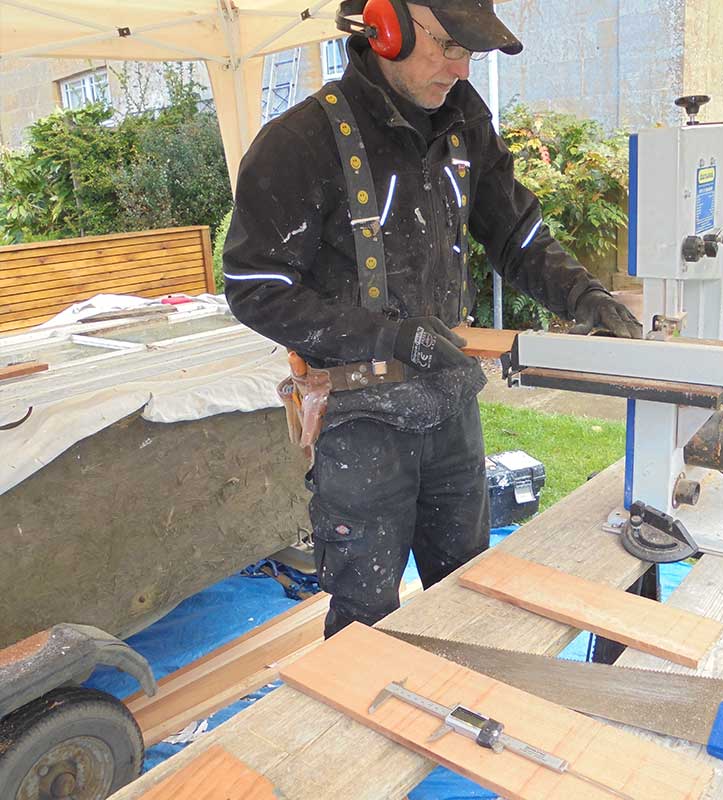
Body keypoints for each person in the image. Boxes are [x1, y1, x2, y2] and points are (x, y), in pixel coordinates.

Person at [223, 0, 642, 639]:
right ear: (384, 27)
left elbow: (516, 236)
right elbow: (257, 289)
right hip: (360, 419)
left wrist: (585, 297)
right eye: (448, 45)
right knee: (365, 622)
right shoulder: (300, 142)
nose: (461, 66)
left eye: (469, 51)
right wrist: (390, 336)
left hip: (450, 407)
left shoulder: (464, 124)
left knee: (464, 599)